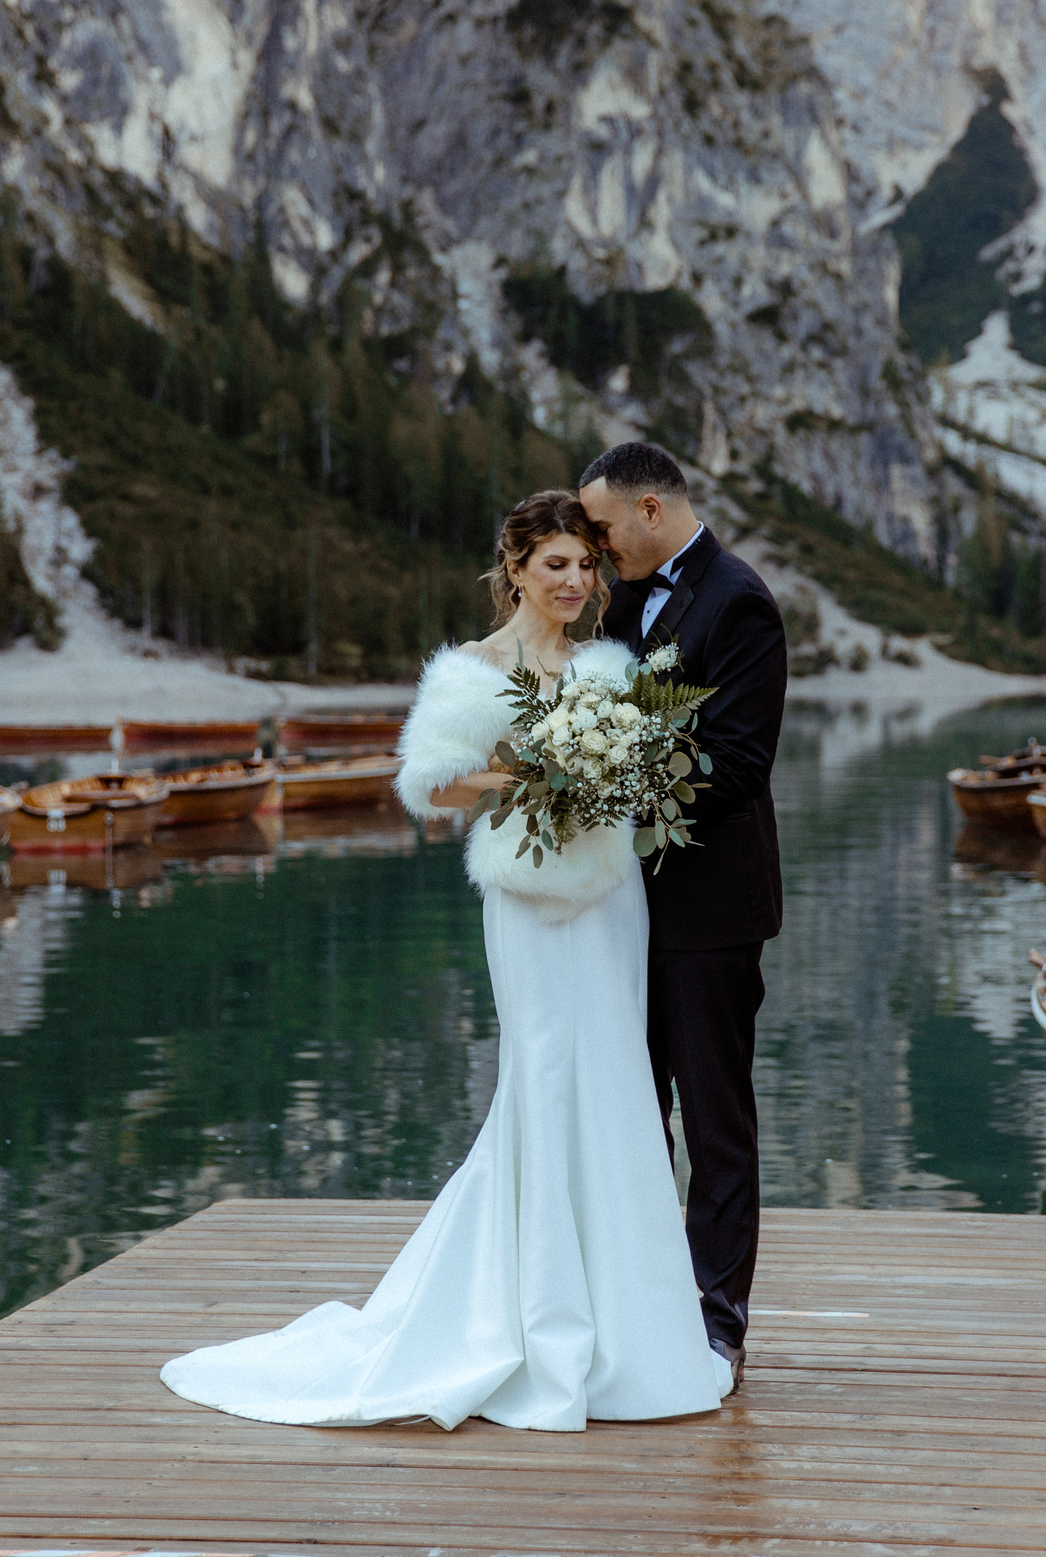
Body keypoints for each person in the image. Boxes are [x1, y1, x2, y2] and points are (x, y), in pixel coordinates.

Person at [159, 490, 730, 1431]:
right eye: (556, 564)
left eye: (587, 565)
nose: (577, 582)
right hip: (528, 905)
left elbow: (640, 776)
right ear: (514, 571)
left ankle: (637, 1333)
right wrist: (537, 769)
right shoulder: (473, 670)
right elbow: (428, 783)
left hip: (609, 903)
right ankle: (539, 1326)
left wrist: (612, 771)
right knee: (543, 1079)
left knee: (620, 1081)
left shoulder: (607, 664)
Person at [575, 442, 787, 1393]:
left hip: (709, 912)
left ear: (650, 509)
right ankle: (639, 1301)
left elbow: (739, 764)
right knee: (630, 1113)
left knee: (714, 1121)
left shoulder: (739, 601)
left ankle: (716, 1324)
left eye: (604, 526)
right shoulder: (619, 600)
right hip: (620, 908)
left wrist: (619, 771)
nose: (595, 544)